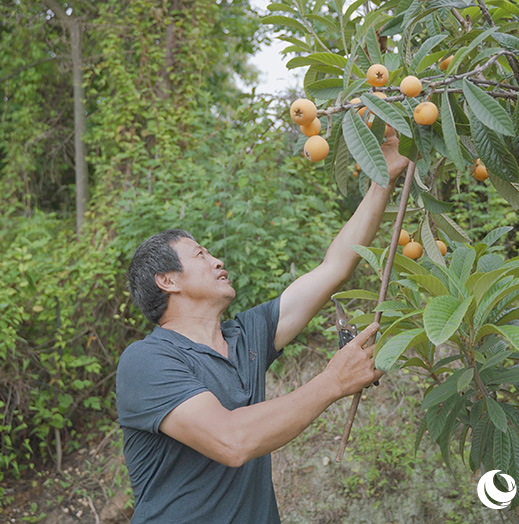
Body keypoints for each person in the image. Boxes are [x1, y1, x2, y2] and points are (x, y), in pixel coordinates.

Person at [117, 128, 410, 523]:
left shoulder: (245, 337)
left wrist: (382, 180)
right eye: (201, 255)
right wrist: (333, 382)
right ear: (168, 281)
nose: (218, 260)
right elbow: (231, 440)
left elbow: (335, 267)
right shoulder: (146, 362)